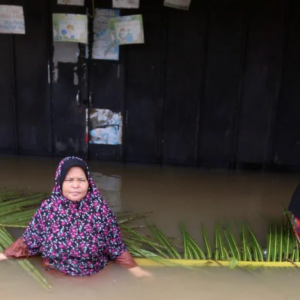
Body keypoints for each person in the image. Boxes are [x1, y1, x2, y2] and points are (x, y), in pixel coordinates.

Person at [0, 156, 152, 278]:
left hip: (95, 277)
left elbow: (116, 246)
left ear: (88, 183)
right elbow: (29, 241)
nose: (75, 185)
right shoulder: (48, 209)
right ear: (60, 183)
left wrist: (136, 270)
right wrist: (4, 255)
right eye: (69, 180)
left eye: (81, 180)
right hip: (54, 276)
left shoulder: (100, 210)